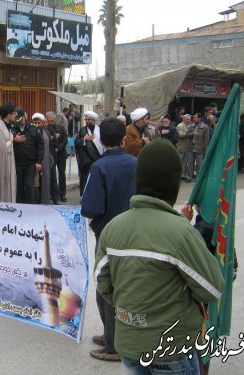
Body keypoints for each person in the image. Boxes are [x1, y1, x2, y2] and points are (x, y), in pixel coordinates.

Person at [95, 139, 224, 374]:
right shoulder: (181, 233)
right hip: (171, 349)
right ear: (174, 184)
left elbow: (102, 281)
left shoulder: (112, 228)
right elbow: (213, 288)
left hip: (130, 346)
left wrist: (131, 311)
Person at [81, 117, 137, 362]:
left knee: (106, 287)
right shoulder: (137, 163)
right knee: (125, 287)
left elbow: (90, 207)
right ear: (124, 139)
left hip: (108, 236)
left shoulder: (99, 168)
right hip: (135, 233)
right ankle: (111, 334)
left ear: (101, 140)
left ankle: (114, 345)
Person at [12, 108, 44, 204]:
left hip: (30, 164)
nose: (19, 122)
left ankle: (29, 208)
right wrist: (14, 140)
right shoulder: (13, 129)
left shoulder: (34, 129)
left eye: (20, 120)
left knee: (30, 187)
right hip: (18, 163)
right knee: (19, 187)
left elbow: (40, 146)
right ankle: (20, 207)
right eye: (17, 120)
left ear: (24, 117)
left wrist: (39, 162)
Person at [0, 102, 17, 202]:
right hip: (1, 167)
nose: (15, 115)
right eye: (14, 113)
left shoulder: (8, 126)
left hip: (9, 164)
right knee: (2, 192)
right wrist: (11, 141)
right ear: (8, 115)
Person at [74, 111, 103, 196]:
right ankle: (85, 197)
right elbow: (76, 142)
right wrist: (84, 139)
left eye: (89, 119)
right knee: (86, 179)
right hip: (86, 160)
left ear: (94, 120)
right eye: (86, 119)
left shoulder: (100, 130)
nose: (87, 121)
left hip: (98, 159)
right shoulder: (83, 130)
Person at [48, 111, 68, 202]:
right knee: (52, 175)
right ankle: (53, 194)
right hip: (51, 155)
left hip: (61, 154)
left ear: (55, 120)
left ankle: (62, 194)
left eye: (52, 121)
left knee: (62, 175)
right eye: (49, 121)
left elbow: (65, 140)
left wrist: (58, 148)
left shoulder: (61, 128)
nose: (51, 122)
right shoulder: (46, 129)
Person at [176, 114, 195, 182]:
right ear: (183, 119)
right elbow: (181, 135)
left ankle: (182, 175)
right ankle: (178, 176)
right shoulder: (180, 125)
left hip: (188, 147)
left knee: (185, 163)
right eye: (187, 119)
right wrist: (192, 134)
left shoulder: (189, 125)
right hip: (181, 147)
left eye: (189, 119)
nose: (188, 120)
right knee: (180, 163)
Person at [192, 113, 210, 177]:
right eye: (193, 117)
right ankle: (189, 176)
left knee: (199, 164)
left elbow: (206, 139)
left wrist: (205, 149)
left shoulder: (205, 127)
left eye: (195, 117)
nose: (194, 119)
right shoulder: (192, 126)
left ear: (199, 118)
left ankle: (198, 176)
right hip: (191, 147)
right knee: (191, 163)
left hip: (200, 147)